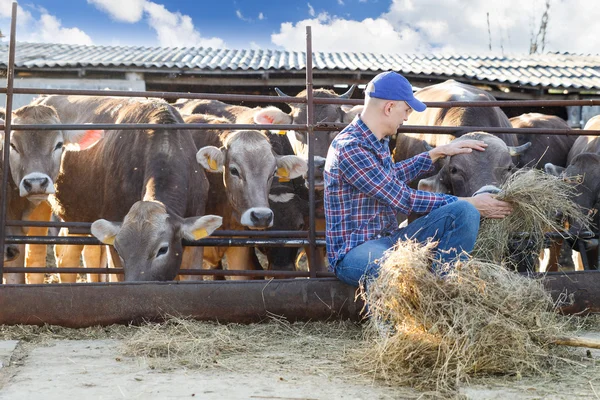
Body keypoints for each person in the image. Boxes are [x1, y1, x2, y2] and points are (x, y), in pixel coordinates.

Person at [323, 71, 513, 288]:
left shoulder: (378, 141)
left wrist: (437, 153)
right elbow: (401, 197)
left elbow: (388, 178)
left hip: (391, 239)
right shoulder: (350, 147)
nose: (406, 118)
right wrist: (473, 202)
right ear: (389, 108)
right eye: (406, 110)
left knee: (465, 213)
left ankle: (444, 289)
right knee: (398, 270)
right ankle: (390, 320)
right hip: (356, 250)